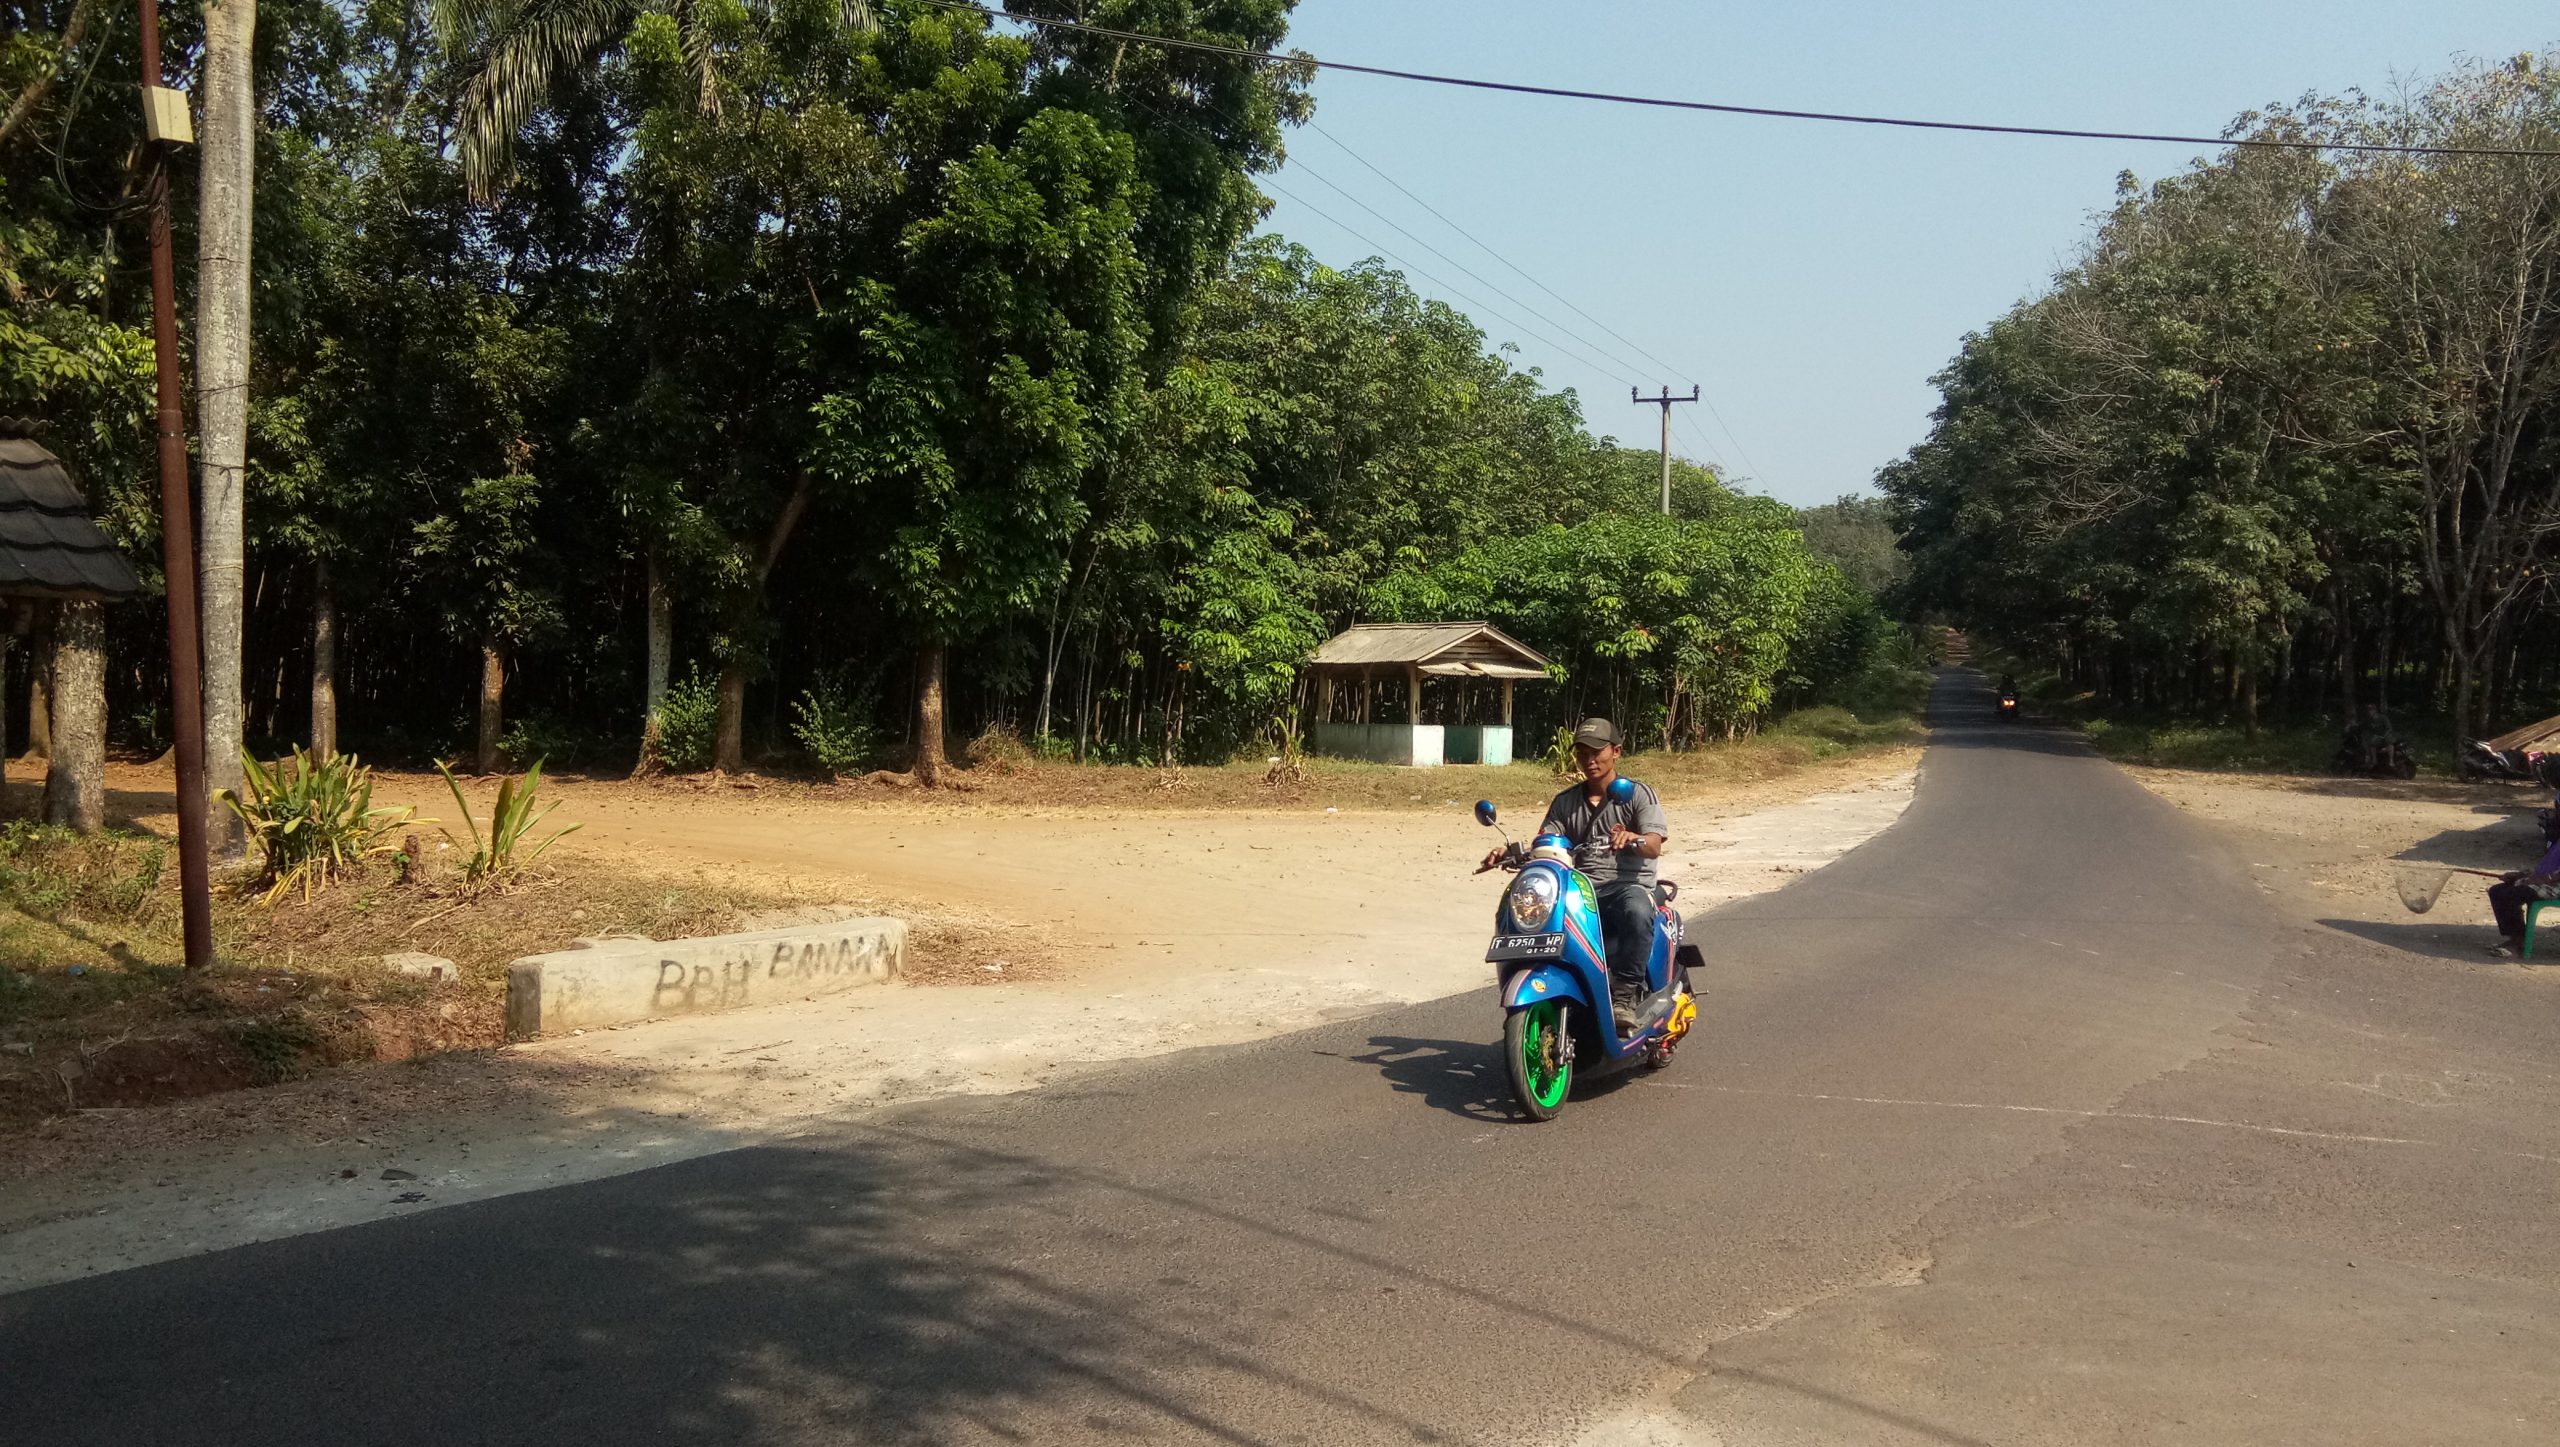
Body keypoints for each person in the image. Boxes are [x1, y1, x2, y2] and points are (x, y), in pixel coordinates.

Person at [1486, 717, 1668, 1034]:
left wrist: (1633, 838)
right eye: (1582, 752)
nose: (1590, 759)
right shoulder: (1566, 801)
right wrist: (1511, 853)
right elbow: (1547, 844)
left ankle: (1623, 998)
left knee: (1636, 908)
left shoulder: (1638, 794)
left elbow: (1654, 845)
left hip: (1626, 887)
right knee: (1519, 908)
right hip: (1580, 891)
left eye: (1597, 751)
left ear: (1617, 752)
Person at [2486, 829, 2560, 957]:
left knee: (2512, 894)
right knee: (2498, 891)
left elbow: (2552, 875)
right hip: (2548, 882)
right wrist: (2522, 875)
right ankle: (2516, 937)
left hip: (2555, 885)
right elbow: (2546, 866)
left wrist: (2543, 879)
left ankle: (2518, 943)